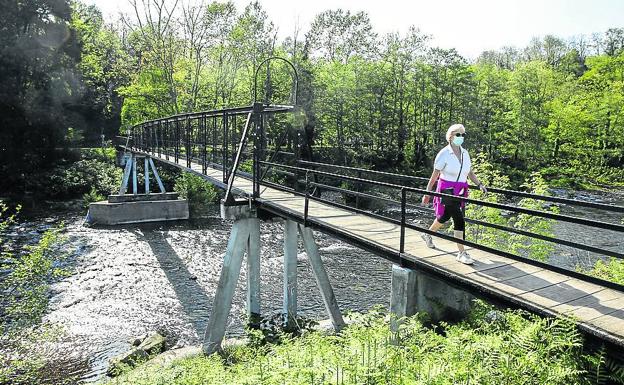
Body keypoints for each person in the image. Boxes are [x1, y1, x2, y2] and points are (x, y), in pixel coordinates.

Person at [420, 123, 487, 264]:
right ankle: (461, 252)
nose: (461, 137)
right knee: (459, 218)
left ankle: (427, 234)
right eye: (458, 134)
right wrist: (427, 193)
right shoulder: (444, 154)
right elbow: (434, 175)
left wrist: (479, 184)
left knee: (444, 216)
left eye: (463, 135)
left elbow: (469, 172)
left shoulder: (465, 153)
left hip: (461, 191)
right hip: (447, 190)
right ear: (450, 137)